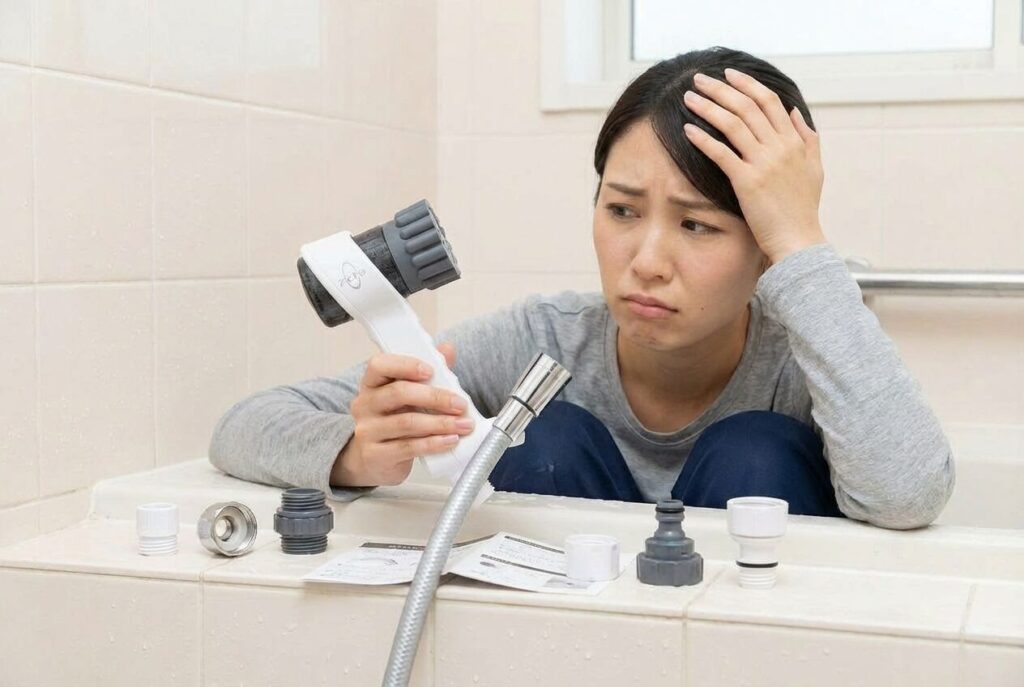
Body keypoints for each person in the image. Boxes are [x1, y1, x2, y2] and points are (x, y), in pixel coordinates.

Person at [210, 47, 955, 530]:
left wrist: (802, 242)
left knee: (756, 454)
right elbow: (244, 426)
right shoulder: (545, 340)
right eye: (622, 210)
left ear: (763, 247)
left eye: (697, 225)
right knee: (544, 437)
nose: (647, 261)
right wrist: (357, 453)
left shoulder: (805, 361)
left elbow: (909, 494)